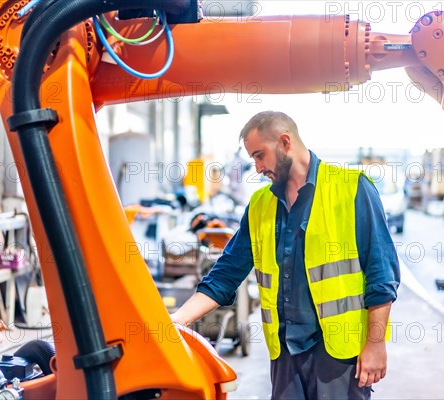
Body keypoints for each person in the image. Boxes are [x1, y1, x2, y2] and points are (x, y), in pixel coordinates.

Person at [170, 111, 400, 400]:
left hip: (339, 356)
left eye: (260, 156)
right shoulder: (260, 205)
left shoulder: (351, 188)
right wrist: (177, 321)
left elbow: (382, 274)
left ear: (285, 142)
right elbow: (226, 273)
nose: (258, 168)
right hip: (285, 353)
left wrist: (376, 344)